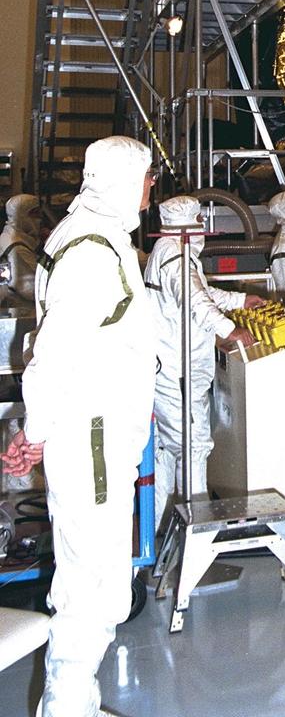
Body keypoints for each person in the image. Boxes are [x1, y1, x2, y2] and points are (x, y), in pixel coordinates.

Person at [0, 136, 157, 717]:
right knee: (92, 586)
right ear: (124, 180)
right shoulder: (93, 249)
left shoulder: (94, 233)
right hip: (91, 436)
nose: (149, 191)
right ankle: (65, 708)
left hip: (95, 429)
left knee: (91, 577)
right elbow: (56, 352)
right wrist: (35, 431)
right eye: (145, 178)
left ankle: (76, 704)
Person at [144, 194, 262, 533]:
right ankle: (198, 535)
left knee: (169, 448)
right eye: (198, 223)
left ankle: (161, 529)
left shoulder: (169, 254)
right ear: (188, 229)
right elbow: (195, 302)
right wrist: (231, 330)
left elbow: (203, 293)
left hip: (168, 367)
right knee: (193, 447)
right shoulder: (176, 259)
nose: (200, 229)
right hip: (179, 371)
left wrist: (240, 300)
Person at [0, 192, 40, 301]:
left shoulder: (6, 236)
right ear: (22, 215)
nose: (39, 219)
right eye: (34, 214)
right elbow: (34, 290)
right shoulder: (18, 249)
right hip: (20, 311)